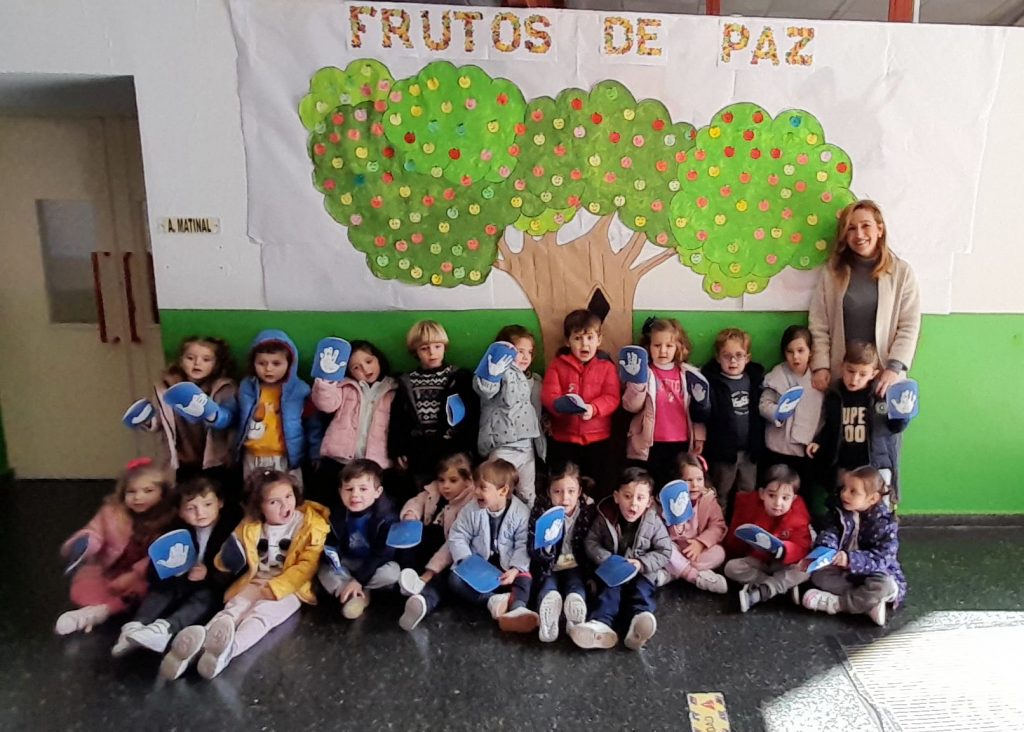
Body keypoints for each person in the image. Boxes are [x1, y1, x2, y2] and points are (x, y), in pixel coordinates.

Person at [165, 469, 328, 680]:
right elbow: (230, 554)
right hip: (255, 580)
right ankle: (195, 648)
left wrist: (277, 588)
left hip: (290, 588)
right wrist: (223, 562)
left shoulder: (311, 525)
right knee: (233, 609)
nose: (285, 505)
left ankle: (229, 649)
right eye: (274, 502)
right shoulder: (251, 525)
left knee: (261, 615)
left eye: (288, 496)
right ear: (259, 506)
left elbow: (306, 566)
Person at [111, 476, 235, 670]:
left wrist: (209, 573)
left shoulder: (231, 530)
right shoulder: (176, 530)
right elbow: (155, 569)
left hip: (211, 584)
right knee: (161, 591)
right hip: (182, 579)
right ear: (180, 512)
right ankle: (134, 628)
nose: (200, 513)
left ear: (219, 503)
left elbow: (234, 568)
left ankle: (165, 629)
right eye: (191, 508)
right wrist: (170, 570)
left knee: (203, 599)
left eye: (207, 504)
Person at [808, 199, 921, 399]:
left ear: (880, 230)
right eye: (851, 229)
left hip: (885, 377)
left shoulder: (901, 272)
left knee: (882, 420)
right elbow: (819, 324)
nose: (859, 234)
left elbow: (908, 325)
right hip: (843, 378)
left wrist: (894, 368)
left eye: (865, 226)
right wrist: (821, 366)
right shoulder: (832, 273)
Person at [55, 458, 176, 635]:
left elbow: (160, 556)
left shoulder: (169, 518)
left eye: (148, 491)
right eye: (131, 492)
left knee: (142, 593)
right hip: (113, 570)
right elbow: (96, 530)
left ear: (162, 492)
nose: (138, 497)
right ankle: (92, 611)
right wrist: (87, 543)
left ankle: (98, 613)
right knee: (92, 587)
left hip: (146, 574)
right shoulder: (112, 512)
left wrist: (134, 575)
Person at [569, 468, 672, 651]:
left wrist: (642, 563)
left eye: (640, 498)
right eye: (627, 496)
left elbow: (664, 551)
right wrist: (608, 559)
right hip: (614, 569)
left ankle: (638, 623)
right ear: (617, 497)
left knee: (642, 592)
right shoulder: (605, 517)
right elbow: (591, 542)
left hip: (641, 571)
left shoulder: (653, 522)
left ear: (649, 502)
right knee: (609, 592)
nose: (633, 504)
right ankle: (601, 625)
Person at [806, 341, 913, 503]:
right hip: (845, 465)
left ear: (873, 374)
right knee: (844, 505)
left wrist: (902, 415)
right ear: (842, 367)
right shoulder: (834, 394)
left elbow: (894, 428)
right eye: (850, 371)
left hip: (874, 465)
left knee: (877, 508)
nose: (854, 379)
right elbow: (830, 426)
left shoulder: (881, 396)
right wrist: (819, 441)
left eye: (862, 374)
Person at [128, 336, 238, 488]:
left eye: (206, 359)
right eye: (190, 358)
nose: (197, 363)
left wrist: (211, 413)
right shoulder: (166, 387)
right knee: (185, 494)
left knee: (216, 493)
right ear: (181, 361)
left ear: (217, 364)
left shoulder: (224, 387)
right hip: (182, 458)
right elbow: (160, 421)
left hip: (215, 459)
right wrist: (146, 420)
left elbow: (229, 417)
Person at [801, 466, 906, 626]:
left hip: (876, 573)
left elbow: (882, 558)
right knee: (818, 576)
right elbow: (830, 532)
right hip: (845, 572)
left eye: (853, 491)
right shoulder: (839, 512)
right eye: (844, 488)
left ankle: (837, 604)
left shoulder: (885, 524)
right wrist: (827, 548)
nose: (844, 494)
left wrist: (851, 560)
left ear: (872, 498)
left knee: (882, 586)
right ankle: (867, 603)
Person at [446, 458, 538, 633]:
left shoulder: (521, 513)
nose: (476, 492)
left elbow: (523, 543)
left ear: (503, 491)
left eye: (483, 488)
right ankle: (492, 601)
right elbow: (458, 534)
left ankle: (518, 609)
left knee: (525, 577)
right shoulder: (471, 510)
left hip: (507, 569)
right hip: (481, 567)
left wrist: (515, 569)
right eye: (476, 486)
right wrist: (465, 560)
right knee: (455, 580)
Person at [389, 320, 478, 497]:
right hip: (419, 451)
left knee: (454, 494)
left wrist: (468, 449)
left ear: (445, 347)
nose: (432, 353)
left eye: (437, 346)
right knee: (424, 495)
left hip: (451, 449)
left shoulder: (459, 377)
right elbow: (398, 419)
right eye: (424, 348)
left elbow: (471, 416)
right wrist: (398, 450)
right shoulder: (407, 381)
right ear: (415, 352)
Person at [622, 317, 710, 491]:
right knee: (651, 486)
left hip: (681, 441)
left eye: (669, 346)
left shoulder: (689, 374)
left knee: (675, 487)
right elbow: (630, 406)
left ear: (678, 347)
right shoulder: (645, 373)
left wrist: (699, 435)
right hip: (651, 443)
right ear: (648, 346)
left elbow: (697, 408)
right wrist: (637, 382)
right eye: (657, 345)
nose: (663, 350)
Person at [541, 309, 620, 496]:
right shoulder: (557, 365)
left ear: (599, 340)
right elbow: (548, 395)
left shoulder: (607, 367)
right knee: (564, 483)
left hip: (598, 440)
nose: (584, 344)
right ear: (567, 341)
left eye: (590, 338)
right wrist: (561, 405)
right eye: (577, 338)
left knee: (596, 484)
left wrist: (594, 408)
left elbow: (612, 397)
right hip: (564, 439)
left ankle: (593, 510)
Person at [396, 453, 477, 631]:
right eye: (442, 480)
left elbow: (454, 543)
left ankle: (423, 602)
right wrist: (411, 514)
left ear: (467, 480)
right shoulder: (434, 491)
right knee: (406, 547)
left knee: (441, 581)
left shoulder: (470, 503)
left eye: (453, 480)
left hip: (448, 553)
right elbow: (417, 501)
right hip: (427, 543)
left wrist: (430, 572)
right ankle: (408, 583)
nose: (445, 486)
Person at [311, 339, 398, 500]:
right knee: (332, 501)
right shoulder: (345, 387)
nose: (365, 369)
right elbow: (325, 404)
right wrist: (326, 378)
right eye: (356, 367)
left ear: (378, 358)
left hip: (377, 463)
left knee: (372, 503)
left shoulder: (394, 389)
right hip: (340, 460)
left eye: (369, 361)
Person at [723, 464, 812, 612]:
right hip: (759, 561)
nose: (778, 503)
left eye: (785, 498)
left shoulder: (798, 517)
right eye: (772, 495)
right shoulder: (750, 507)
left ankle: (765, 590)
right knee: (731, 568)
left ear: (794, 499)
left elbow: (803, 547)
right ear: (762, 494)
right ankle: (778, 587)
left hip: (784, 563)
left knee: (806, 570)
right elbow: (736, 537)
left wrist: (785, 550)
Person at [318, 459, 400, 619]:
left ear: (377, 492)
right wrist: (334, 559)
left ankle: (358, 590)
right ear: (340, 491)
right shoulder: (336, 514)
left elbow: (381, 554)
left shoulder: (387, 518)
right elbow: (332, 545)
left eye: (363, 489)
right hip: (348, 562)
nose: (355, 494)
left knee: (392, 573)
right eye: (349, 489)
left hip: (374, 564)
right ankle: (353, 595)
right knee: (323, 569)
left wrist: (359, 580)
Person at [236, 330, 321, 482]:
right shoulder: (246, 387)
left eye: (276, 363)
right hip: (252, 456)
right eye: (261, 363)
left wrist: (316, 453)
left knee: (289, 493)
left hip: (287, 458)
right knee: (254, 494)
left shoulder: (300, 390)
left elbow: (313, 425)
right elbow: (235, 417)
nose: (268, 369)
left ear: (290, 364)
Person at [474, 325, 544, 506]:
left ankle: (527, 521)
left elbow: (534, 409)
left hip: (526, 445)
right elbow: (485, 390)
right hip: (503, 446)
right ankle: (495, 522)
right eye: (520, 351)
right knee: (497, 492)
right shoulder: (499, 372)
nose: (526, 357)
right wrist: (492, 375)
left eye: (529, 352)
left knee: (527, 494)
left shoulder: (530, 379)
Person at [528, 461, 597, 643]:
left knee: (576, 584)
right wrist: (547, 545)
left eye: (571, 491)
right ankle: (548, 615)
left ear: (579, 491)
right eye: (557, 491)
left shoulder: (588, 510)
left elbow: (593, 544)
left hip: (576, 564)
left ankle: (575, 615)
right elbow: (533, 548)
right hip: (550, 564)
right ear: (549, 492)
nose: (565, 498)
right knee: (548, 585)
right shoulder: (541, 510)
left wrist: (591, 575)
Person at [701, 328, 765, 514]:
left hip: (749, 451)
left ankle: (743, 526)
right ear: (717, 357)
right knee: (720, 493)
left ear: (748, 357)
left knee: (748, 492)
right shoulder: (712, 382)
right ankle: (718, 527)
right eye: (727, 356)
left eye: (739, 355)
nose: (733, 361)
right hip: (723, 452)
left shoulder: (754, 380)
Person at [758, 325, 823, 495]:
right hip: (779, 448)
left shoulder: (818, 378)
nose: (795, 357)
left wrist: (819, 440)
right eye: (790, 351)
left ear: (810, 351)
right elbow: (764, 404)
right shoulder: (777, 375)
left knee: (802, 494)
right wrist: (777, 412)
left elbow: (824, 414)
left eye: (801, 351)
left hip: (806, 450)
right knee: (776, 490)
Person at [660, 453, 728, 594]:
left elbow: (718, 526)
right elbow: (665, 534)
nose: (695, 485)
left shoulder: (708, 500)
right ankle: (694, 576)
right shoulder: (668, 502)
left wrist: (701, 543)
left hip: (697, 551)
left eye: (699, 479)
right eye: (688, 480)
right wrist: (676, 521)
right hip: (676, 547)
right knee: (663, 548)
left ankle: (673, 572)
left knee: (719, 553)